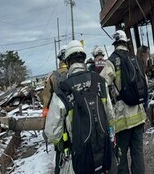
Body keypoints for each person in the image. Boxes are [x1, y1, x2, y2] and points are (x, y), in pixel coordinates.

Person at [44, 40, 115, 174]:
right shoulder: (99, 82)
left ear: (68, 62)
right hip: (101, 150)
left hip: (78, 157)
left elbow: (52, 133)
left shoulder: (62, 91)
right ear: (83, 58)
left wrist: (64, 142)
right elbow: (110, 116)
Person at [100, 30, 147, 174]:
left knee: (121, 155)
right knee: (138, 153)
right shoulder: (135, 59)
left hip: (122, 118)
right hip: (139, 115)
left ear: (115, 44)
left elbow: (101, 85)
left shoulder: (112, 61)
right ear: (126, 43)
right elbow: (144, 84)